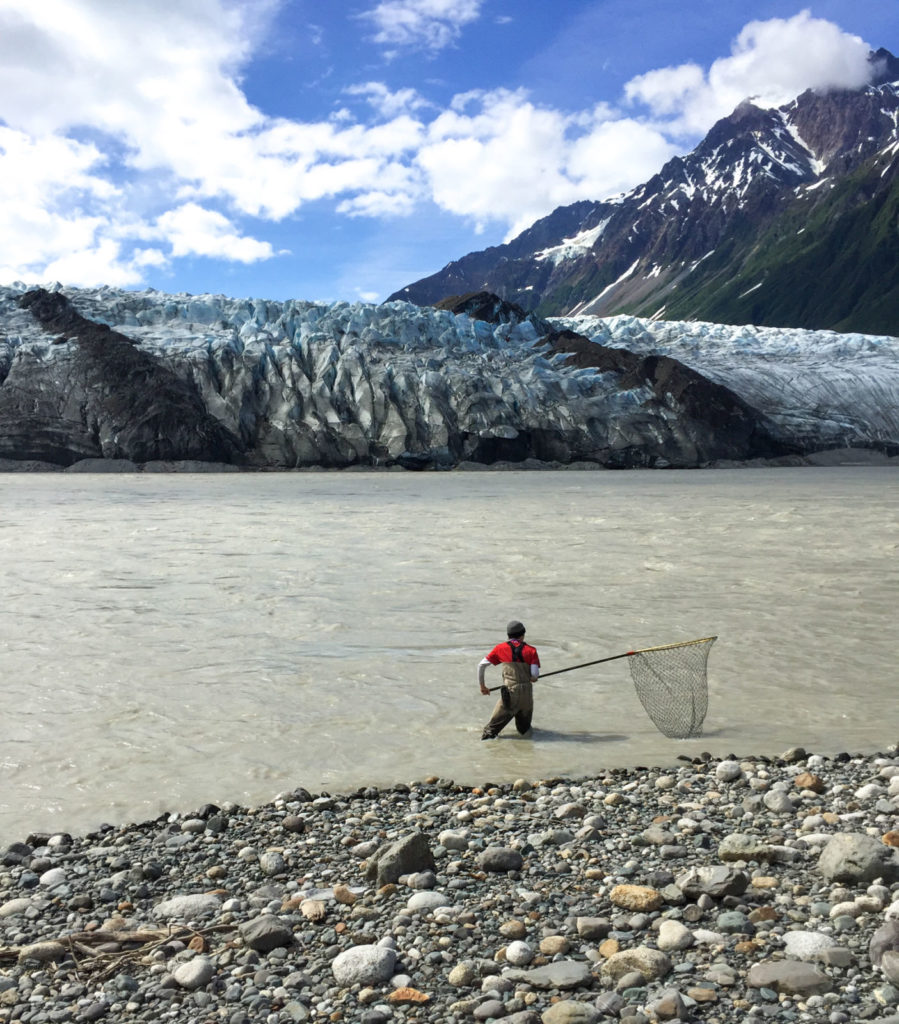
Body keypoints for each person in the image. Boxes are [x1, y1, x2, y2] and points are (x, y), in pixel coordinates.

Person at [478, 620, 540, 739]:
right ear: (523, 634)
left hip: (511, 693)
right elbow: (535, 675)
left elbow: (481, 665)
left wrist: (483, 686)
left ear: (508, 635)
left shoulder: (500, 648)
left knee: (490, 731)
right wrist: (532, 678)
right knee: (524, 731)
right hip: (527, 694)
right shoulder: (531, 650)